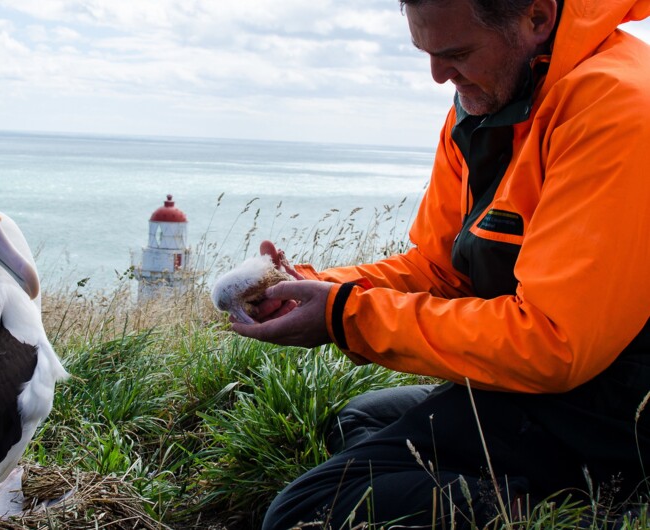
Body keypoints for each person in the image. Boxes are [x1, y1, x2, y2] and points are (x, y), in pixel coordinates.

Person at [230, 0, 650, 527]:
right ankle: (512, 494)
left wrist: (346, 318)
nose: (436, 76)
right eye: (426, 52)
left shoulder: (615, 106)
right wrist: (313, 288)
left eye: (456, 53)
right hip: (549, 386)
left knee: (300, 512)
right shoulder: (486, 101)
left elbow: (555, 343)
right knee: (356, 419)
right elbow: (440, 269)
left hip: (615, 405)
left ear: (537, 19)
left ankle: (576, 514)